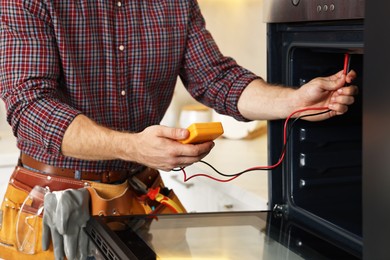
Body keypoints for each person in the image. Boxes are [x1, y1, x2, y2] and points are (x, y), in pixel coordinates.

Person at [0, 0, 358, 259]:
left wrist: (295, 101)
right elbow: (30, 105)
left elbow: (217, 79)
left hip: (138, 199)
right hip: (51, 207)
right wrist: (131, 147)